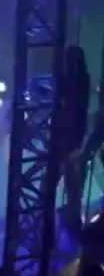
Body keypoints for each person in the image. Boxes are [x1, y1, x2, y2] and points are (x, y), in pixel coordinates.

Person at [59, 45, 91, 233]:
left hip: (66, 135)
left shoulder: (70, 82)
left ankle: (69, 216)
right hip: (75, 135)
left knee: (64, 177)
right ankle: (74, 217)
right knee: (73, 181)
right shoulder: (84, 80)